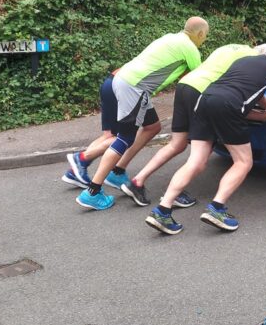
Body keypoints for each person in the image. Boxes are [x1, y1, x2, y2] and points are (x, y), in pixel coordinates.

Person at [145, 52, 266, 235]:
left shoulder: (243, 61)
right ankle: (217, 208)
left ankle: (163, 210)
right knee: (243, 162)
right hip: (227, 104)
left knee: (195, 161)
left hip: (205, 98)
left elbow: (256, 93)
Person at [72, 17, 208, 211]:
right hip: (134, 87)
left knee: (152, 126)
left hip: (126, 80)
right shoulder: (190, 48)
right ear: (200, 34)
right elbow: (199, 80)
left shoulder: (170, 38)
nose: (204, 41)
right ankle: (92, 192)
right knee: (124, 137)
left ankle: (117, 172)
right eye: (205, 37)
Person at [121, 43, 266, 206]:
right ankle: (174, 194)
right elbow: (252, 90)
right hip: (204, 92)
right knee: (201, 152)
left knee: (177, 144)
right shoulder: (254, 59)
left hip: (185, 86)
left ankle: (138, 181)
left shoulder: (230, 47)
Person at [61, 72, 124, 189]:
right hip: (120, 87)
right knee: (125, 137)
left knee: (109, 135)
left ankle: (76, 171)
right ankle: (81, 159)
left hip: (110, 82)